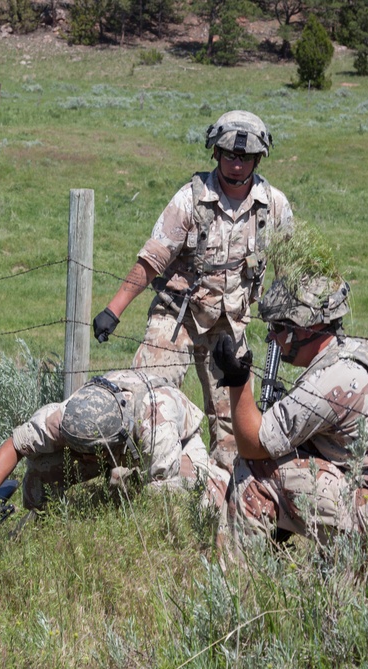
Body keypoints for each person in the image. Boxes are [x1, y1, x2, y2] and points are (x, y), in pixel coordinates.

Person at [92, 110, 294, 469]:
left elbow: (287, 271)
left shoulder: (274, 206)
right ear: (215, 153)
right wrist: (114, 308)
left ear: (258, 158)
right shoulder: (190, 200)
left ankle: (223, 493)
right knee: (145, 399)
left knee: (234, 425)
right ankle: (134, 479)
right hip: (177, 316)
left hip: (231, 326)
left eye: (245, 157)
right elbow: (153, 257)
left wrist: (289, 327)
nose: (236, 164)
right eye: (230, 154)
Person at [211, 275, 368, 568]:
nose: (271, 338)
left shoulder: (329, 381)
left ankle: (236, 583)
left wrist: (239, 381)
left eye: (278, 328)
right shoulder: (362, 353)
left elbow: (253, 444)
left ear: (306, 328)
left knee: (255, 469)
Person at [0, 370, 230, 538]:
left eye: (90, 454)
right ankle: (42, 526)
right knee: (41, 468)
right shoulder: (65, 417)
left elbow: (159, 484)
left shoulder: (156, 425)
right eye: (79, 452)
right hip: (114, 443)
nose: (83, 460)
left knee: (169, 494)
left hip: (177, 442)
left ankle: (222, 485)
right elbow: (16, 445)